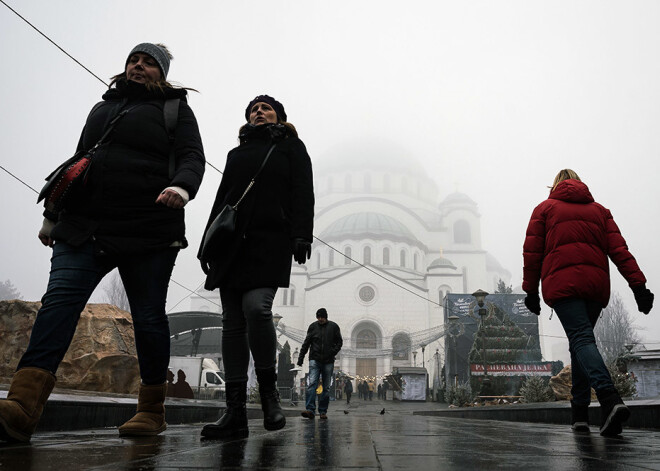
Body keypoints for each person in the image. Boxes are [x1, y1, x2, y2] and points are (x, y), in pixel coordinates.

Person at [0, 43, 205, 443]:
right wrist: (53, 215)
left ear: (161, 73)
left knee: (148, 318)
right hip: (84, 226)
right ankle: (23, 407)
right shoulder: (102, 108)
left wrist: (182, 186)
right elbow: (78, 161)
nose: (138, 67)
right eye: (134, 60)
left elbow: (192, 156)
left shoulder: (175, 109)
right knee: (59, 303)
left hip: (148, 228)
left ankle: (150, 410)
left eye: (148, 63)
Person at [199, 95, 314, 439]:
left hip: (270, 239)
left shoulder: (292, 148)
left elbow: (302, 191)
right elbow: (223, 197)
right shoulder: (237, 153)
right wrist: (208, 240)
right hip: (232, 243)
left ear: (279, 116)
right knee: (231, 323)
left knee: (256, 309)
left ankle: (268, 395)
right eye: (253, 109)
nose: (258, 112)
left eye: (265, 108)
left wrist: (301, 234)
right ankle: (234, 412)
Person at [523, 169, 654, 437]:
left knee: (581, 340)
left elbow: (532, 253)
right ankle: (580, 415)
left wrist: (531, 292)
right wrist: (639, 286)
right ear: (581, 184)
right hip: (595, 287)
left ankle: (609, 398)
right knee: (579, 344)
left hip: (563, 286)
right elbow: (620, 251)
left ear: (555, 185)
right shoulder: (600, 211)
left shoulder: (545, 209)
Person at [298, 308, 343, 420]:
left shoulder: (333, 327)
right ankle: (310, 410)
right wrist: (300, 358)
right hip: (315, 359)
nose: (320, 319)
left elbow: (339, 342)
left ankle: (323, 411)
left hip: (328, 361)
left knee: (326, 387)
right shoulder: (313, 327)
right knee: (312, 384)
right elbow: (306, 343)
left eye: (322, 317)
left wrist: (332, 352)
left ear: (326, 317)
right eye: (318, 317)